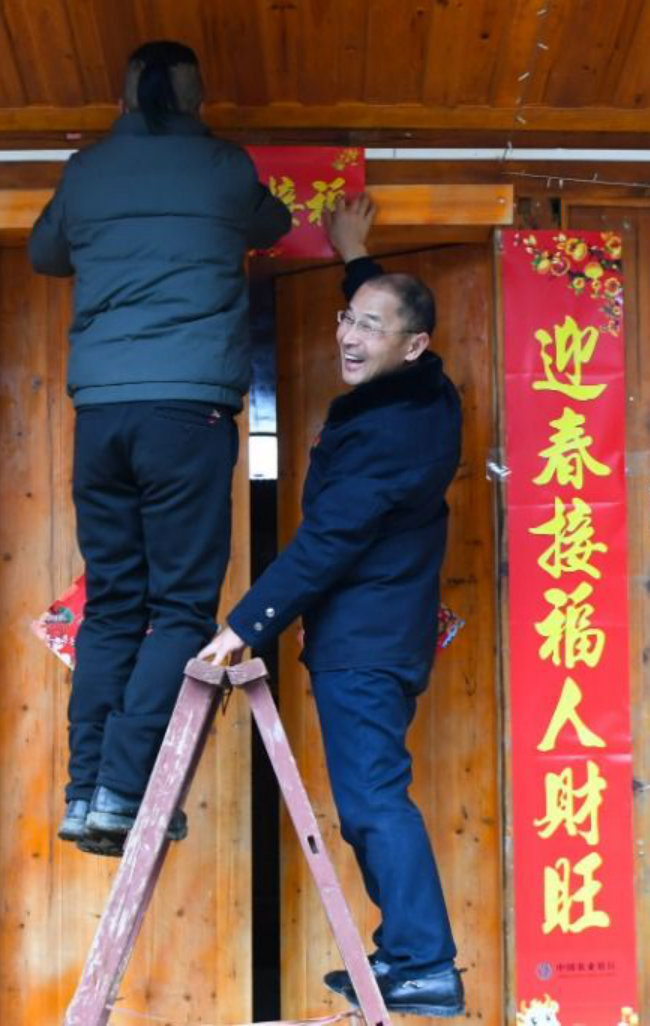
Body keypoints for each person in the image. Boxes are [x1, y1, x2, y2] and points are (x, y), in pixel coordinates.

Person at [199, 194, 465, 1017]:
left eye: (368, 327)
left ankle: (423, 964)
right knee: (370, 799)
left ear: (412, 345)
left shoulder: (396, 432)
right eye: (347, 318)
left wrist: (242, 627)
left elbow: (327, 543)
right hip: (378, 636)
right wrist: (354, 254)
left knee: (372, 801)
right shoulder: (421, 386)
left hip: (365, 644)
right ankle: (407, 954)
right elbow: (385, 311)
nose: (347, 335)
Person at [29, 40, 291, 856]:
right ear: (195, 96)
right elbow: (274, 225)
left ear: (123, 95)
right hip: (187, 413)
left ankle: (84, 791)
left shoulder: (86, 171)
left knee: (113, 605)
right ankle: (124, 789)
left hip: (101, 415)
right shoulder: (223, 167)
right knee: (179, 607)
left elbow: (45, 255)